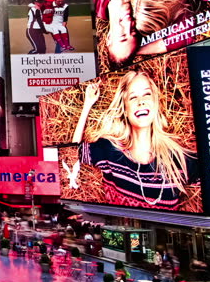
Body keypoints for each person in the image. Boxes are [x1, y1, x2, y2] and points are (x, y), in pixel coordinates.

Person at [68, 72, 198, 210]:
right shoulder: (109, 151)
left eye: (147, 94)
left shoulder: (180, 160)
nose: (141, 101)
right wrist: (88, 103)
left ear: (155, 103)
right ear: (125, 109)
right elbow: (73, 152)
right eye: (133, 97)